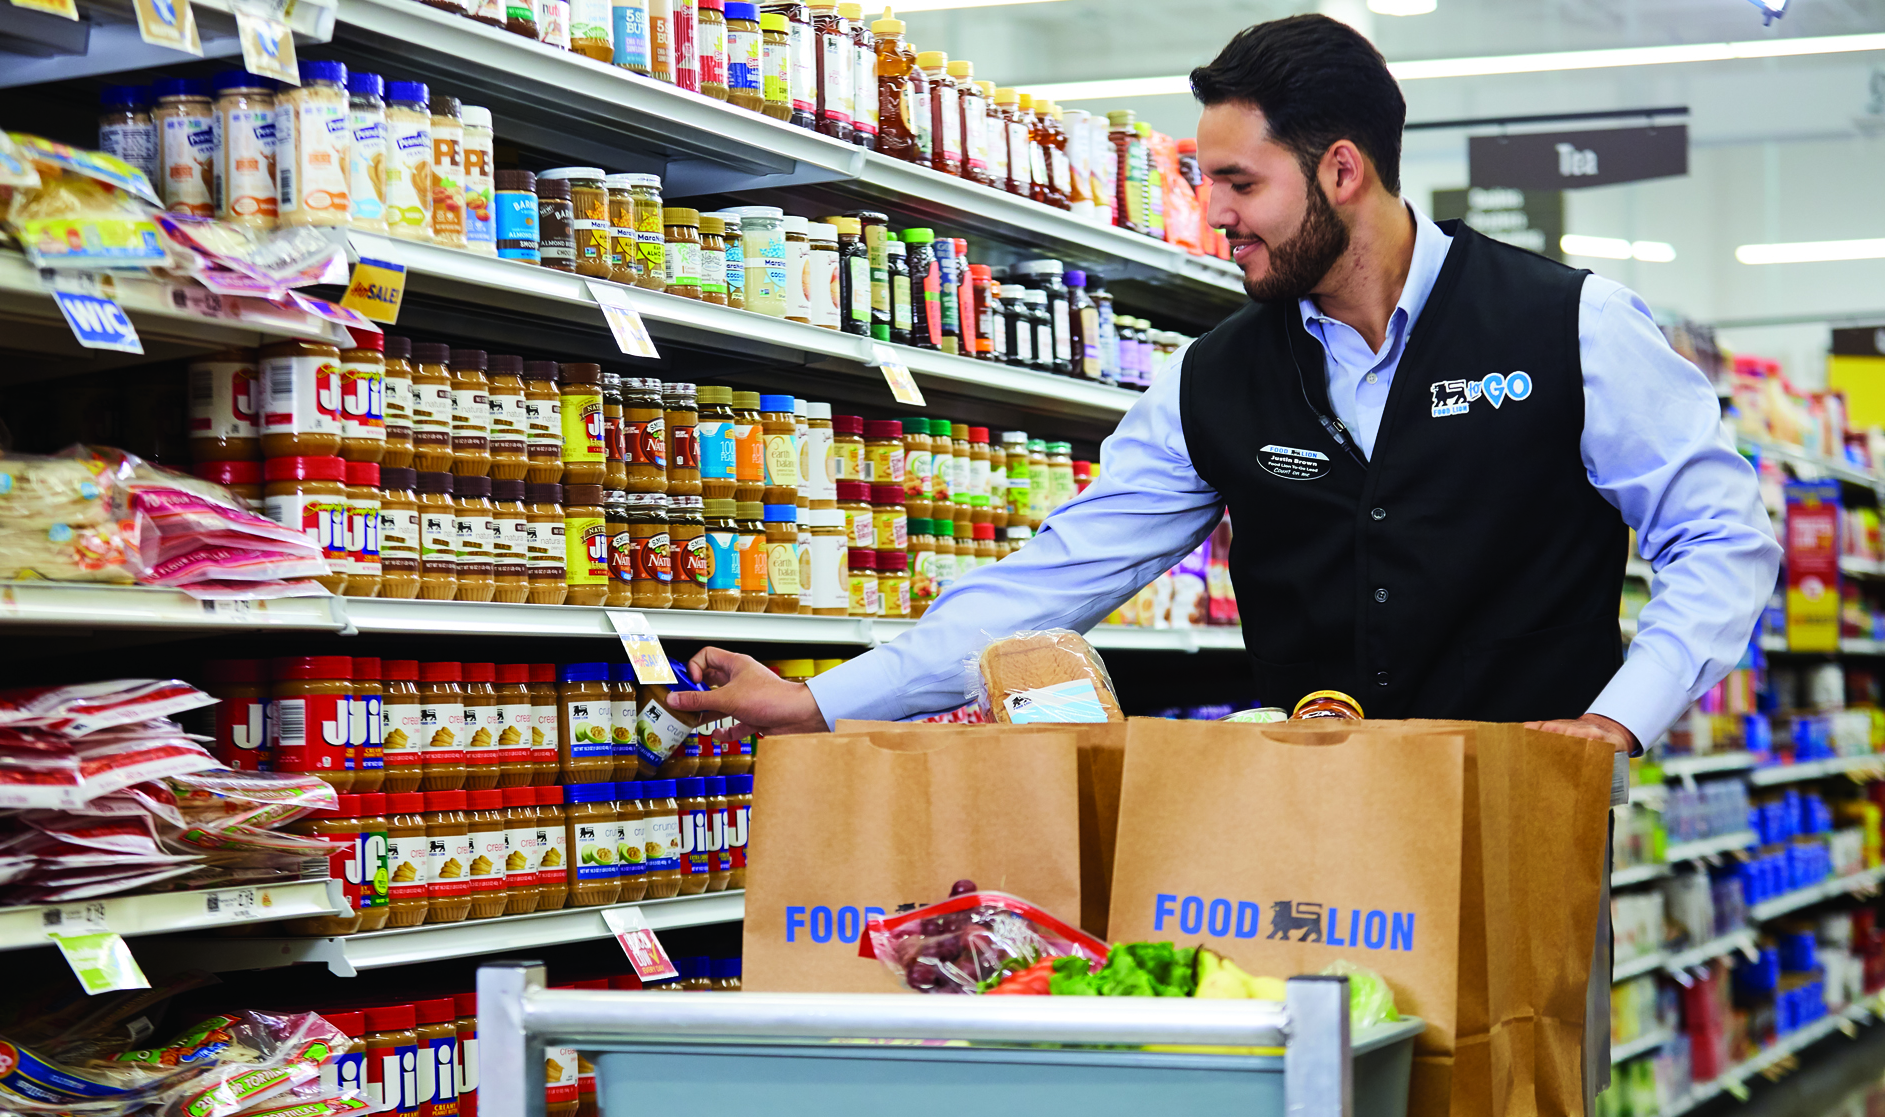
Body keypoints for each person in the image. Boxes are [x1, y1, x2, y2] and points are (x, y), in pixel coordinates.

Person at [669, 14, 1780, 754]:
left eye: (1239, 182)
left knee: (1506, 1109)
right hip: (1301, 810)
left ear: (1341, 170)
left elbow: (1722, 536)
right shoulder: (1213, 375)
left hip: (1528, 806)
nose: (1212, 215)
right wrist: (821, 700)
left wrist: (1616, 721)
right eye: (1206, 181)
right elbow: (1054, 579)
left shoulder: (1567, 322)